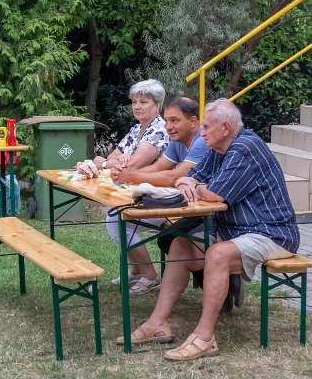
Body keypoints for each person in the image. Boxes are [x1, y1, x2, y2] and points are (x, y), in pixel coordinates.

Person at [119, 99, 299, 361]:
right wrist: (189, 182)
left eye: (205, 127)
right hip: (235, 229)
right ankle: (157, 324)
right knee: (180, 243)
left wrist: (198, 187)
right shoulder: (219, 148)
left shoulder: (245, 147)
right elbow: (189, 177)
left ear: (225, 127)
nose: (201, 133)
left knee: (217, 254)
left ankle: (205, 338)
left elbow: (214, 194)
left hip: (272, 231)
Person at [93, 79, 169, 293]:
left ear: (157, 105)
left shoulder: (159, 130)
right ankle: (136, 270)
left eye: (143, 102)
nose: (137, 106)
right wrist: (110, 162)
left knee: (116, 219)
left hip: (159, 197)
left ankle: (150, 275)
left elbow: (133, 165)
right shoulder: (137, 129)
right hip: (135, 194)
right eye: (134, 101)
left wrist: (109, 163)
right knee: (116, 215)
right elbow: (107, 158)